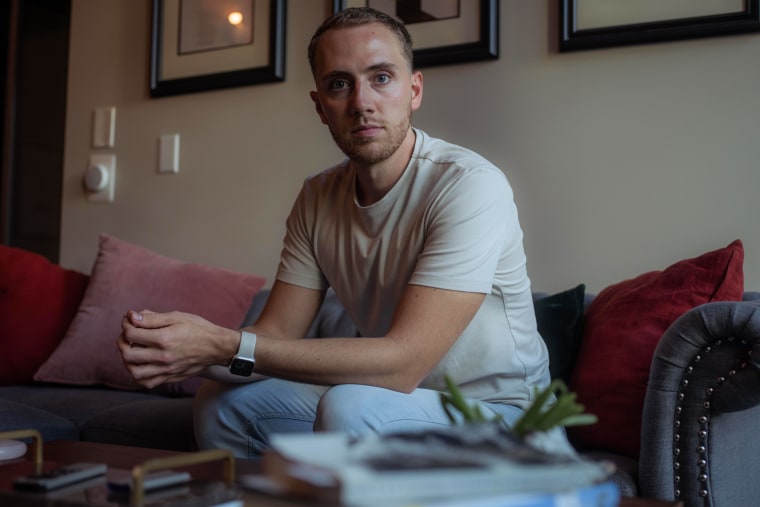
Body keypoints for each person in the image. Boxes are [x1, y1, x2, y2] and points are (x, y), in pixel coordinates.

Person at [119, 7, 558, 459]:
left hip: (509, 420)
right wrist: (177, 347)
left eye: (381, 77)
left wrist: (223, 344)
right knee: (222, 405)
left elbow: (404, 364)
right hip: (397, 405)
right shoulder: (318, 197)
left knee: (351, 405)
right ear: (320, 106)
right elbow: (276, 336)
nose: (361, 102)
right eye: (339, 83)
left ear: (414, 90)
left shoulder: (468, 184)